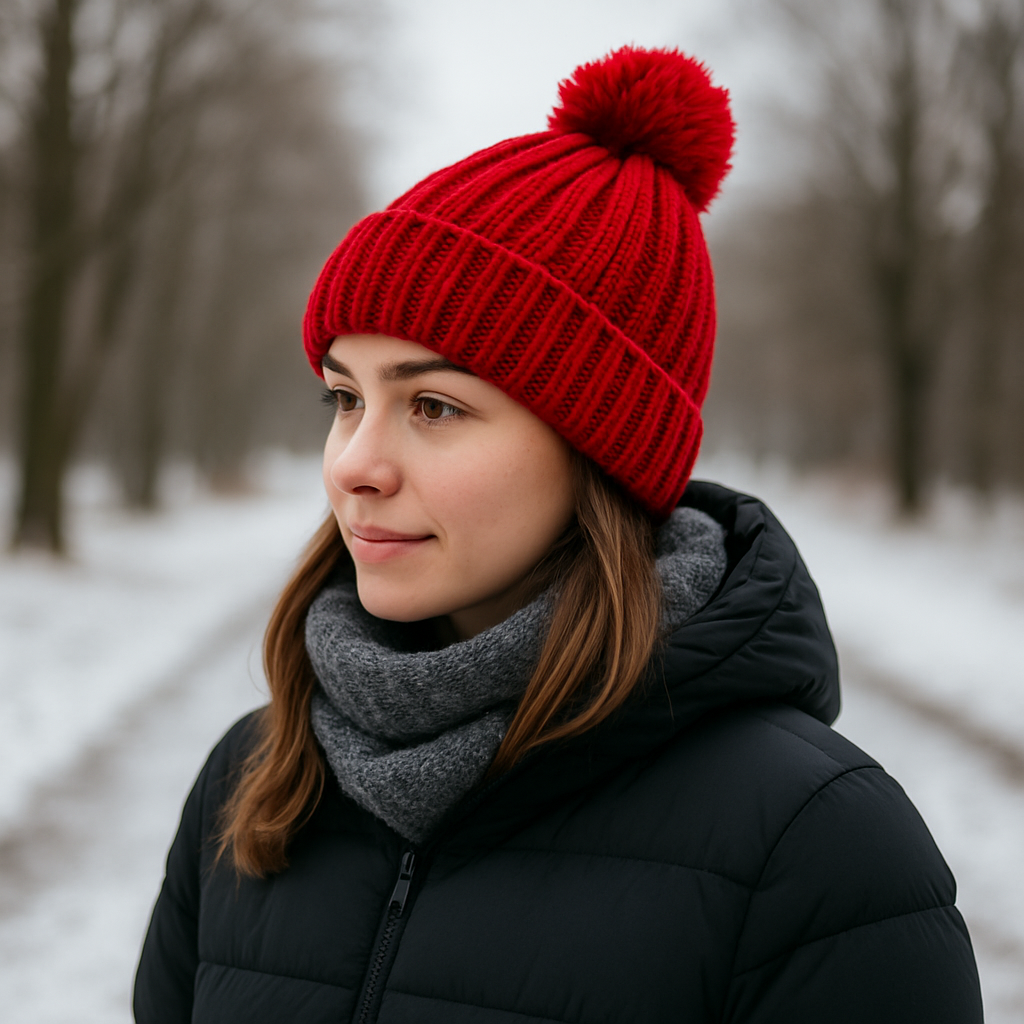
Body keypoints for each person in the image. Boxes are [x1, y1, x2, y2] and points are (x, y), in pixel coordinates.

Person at [133, 46, 983, 1024]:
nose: (354, 463)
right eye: (343, 396)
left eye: (435, 406)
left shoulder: (817, 847)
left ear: (600, 450)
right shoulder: (254, 782)